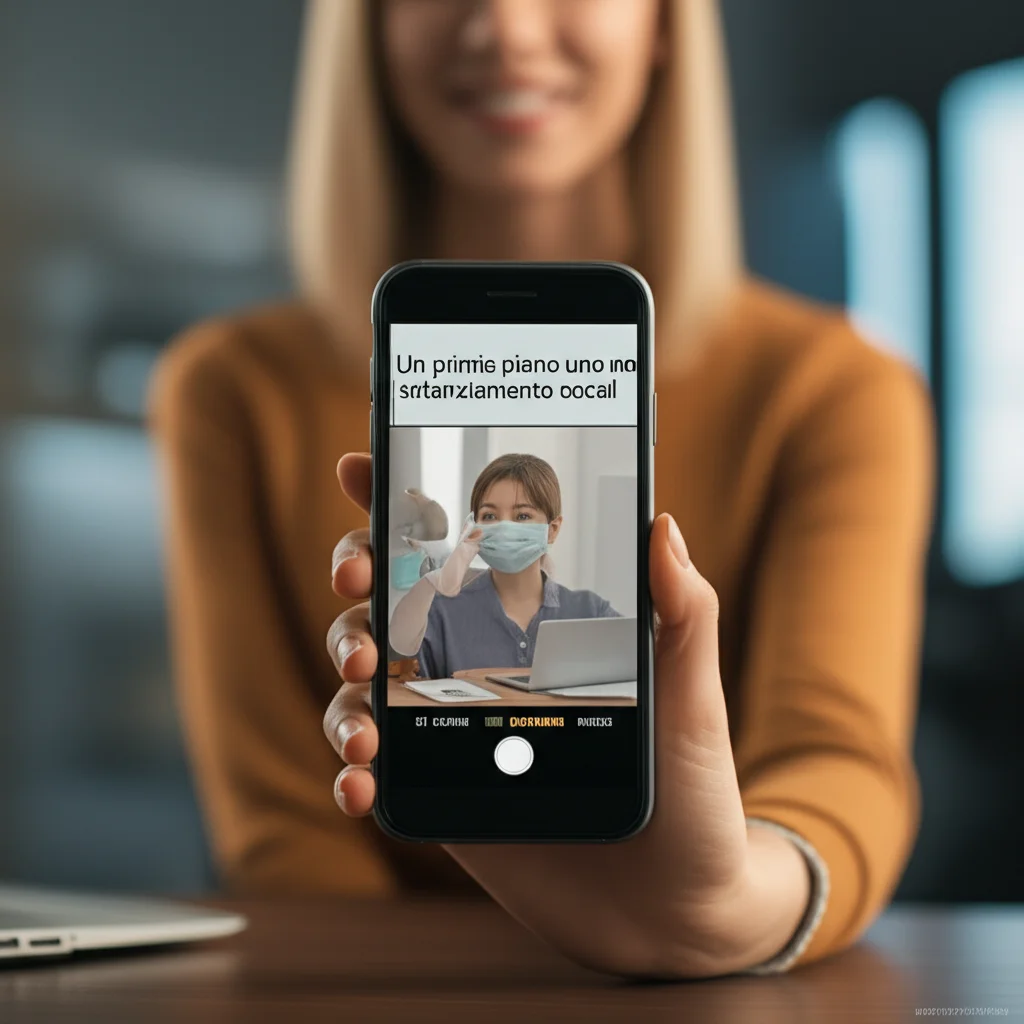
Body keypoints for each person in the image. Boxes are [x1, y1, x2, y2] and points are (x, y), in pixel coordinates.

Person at [149, 0, 933, 977]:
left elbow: (837, 760)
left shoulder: (833, 391)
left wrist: (720, 908)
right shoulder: (230, 389)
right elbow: (284, 828)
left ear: (662, 25)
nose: (507, 29)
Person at [389, 453, 618, 678]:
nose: (504, 527)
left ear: (552, 529)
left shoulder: (590, 612)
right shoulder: (440, 613)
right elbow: (398, 674)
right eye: (489, 516)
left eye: (522, 516)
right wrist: (433, 583)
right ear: (471, 526)